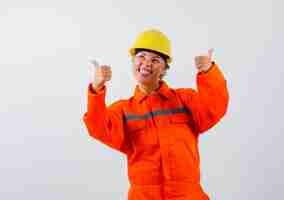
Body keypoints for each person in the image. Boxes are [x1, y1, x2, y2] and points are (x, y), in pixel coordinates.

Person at [82, 29, 229, 200]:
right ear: (133, 61)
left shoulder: (184, 101)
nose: (146, 63)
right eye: (141, 56)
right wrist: (97, 88)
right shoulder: (124, 111)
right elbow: (98, 127)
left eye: (155, 59)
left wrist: (207, 71)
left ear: (164, 68)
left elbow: (214, 107)